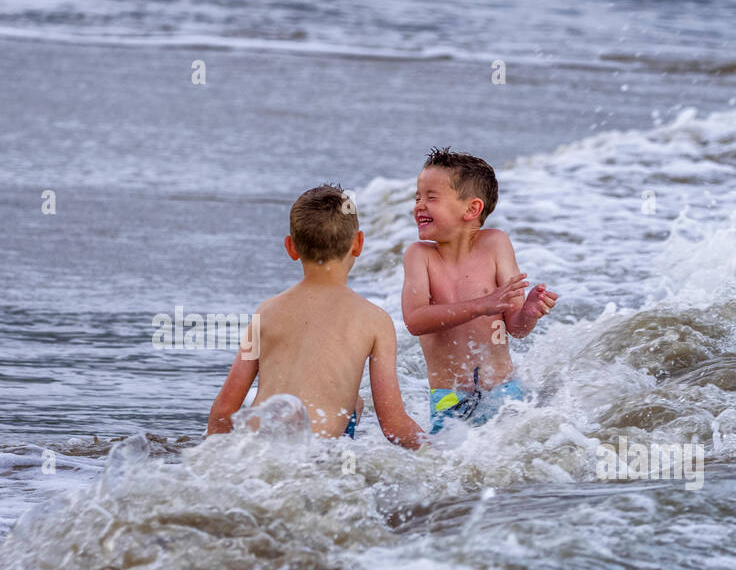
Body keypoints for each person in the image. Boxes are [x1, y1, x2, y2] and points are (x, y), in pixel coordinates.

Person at [206, 183, 426, 449]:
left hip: (255, 450)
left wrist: (214, 458)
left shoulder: (267, 311)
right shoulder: (374, 320)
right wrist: (440, 455)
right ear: (358, 244)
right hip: (313, 460)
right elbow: (393, 425)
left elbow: (223, 410)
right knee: (353, 405)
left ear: (291, 247)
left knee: (353, 401)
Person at [401, 148, 558, 433]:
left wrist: (530, 313)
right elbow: (415, 321)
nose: (420, 205)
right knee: (454, 464)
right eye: (417, 197)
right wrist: (480, 305)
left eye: (431, 197)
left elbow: (516, 328)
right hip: (448, 397)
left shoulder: (496, 244)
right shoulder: (419, 256)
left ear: (471, 209)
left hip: (504, 391)